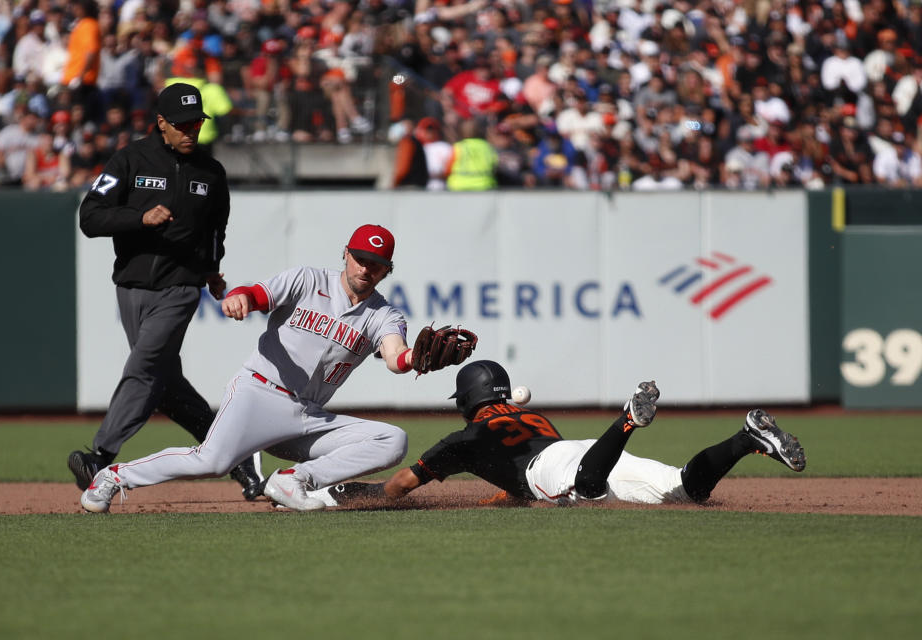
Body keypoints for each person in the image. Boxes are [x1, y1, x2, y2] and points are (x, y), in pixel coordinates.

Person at [80, 224, 433, 514]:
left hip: (308, 416)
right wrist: (243, 299)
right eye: (360, 258)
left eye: (376, 263)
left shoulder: (384, 314)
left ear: (387, 270)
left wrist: (413, 359)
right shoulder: (308, 280)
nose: (365, 269)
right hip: (259, 393)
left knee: (392, 440)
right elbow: (259, 294)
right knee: (211, 462)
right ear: (345, 253)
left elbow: (395, 356)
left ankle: (293, 479)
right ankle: (113, 477)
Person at [69, 82, 262, 501]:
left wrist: (211, 271)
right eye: (182, 124)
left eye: (197, 122)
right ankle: (240, 459)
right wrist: (140, 217)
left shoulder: (211, 173)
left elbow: (216, 231)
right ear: (161, 124)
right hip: (132, 288)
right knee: (164, 384)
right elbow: (90, 217)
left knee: (145, 365)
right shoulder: (130, 159)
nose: (191, 130)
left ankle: (100, 457)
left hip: (180, 287)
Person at [308, 360, 807, 509]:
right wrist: (495, 503)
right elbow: (511, 485)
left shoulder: (464, 439)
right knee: (685, 489)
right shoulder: (533, 417)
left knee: (585, 492)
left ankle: (628, 420)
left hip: (556, 466)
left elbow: (399, 487)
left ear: (464, 401)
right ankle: (746, 438)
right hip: (577, 447)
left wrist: (366, 495)